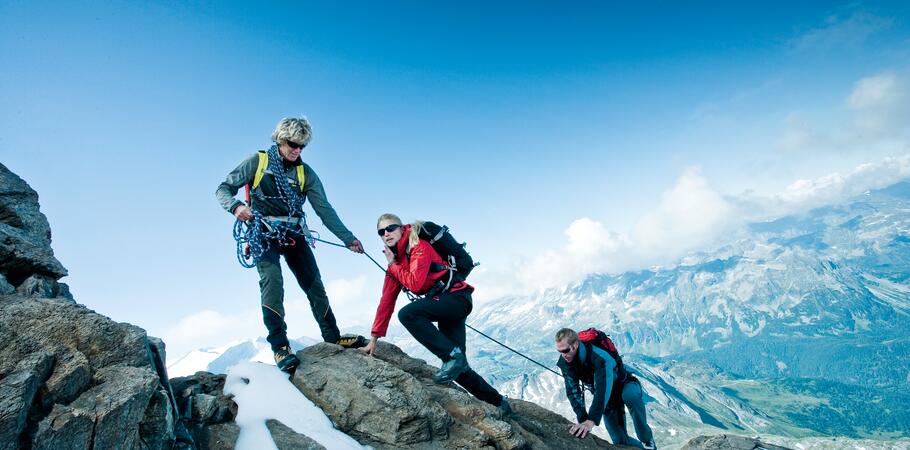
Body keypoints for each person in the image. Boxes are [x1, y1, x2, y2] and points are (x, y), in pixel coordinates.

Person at [216, 117, 366, 373]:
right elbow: (223, 189)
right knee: (273, 282)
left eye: (302, 146)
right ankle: (280, 346)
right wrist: (237, 206)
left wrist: (348, 238)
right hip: (262, 233)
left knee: (314, 284)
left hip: (294, 232)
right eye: (292, 144)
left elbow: (324, 210)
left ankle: (333, 336)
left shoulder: (305, 173)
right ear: (279, 139)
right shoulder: (258, 161)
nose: (297, 150)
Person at [359, 213, 512, 417]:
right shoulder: (396, 264)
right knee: (458, 368)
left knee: (408, 315)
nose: (386, 234)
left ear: (402, 228)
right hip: (445, 306)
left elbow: (417, 284)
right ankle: (498, 402)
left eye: (390, 228)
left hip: (457, 299)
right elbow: (386, 301)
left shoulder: (419, 246)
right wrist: (374, 339)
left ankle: (452, 356)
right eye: (381, 232)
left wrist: (393, 266)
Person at [555, 328, 655, 449]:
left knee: (631, 395)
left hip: (624, 384)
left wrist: (591, 420)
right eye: (559, 351)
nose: (563, 355)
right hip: (609, 399)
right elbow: (573, 391)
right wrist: (583, 419)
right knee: (619, 441)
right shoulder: (565, 362)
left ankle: (647, 439)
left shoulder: (599, 357)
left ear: (575, 344)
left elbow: (602, 387)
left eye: (565, 350)